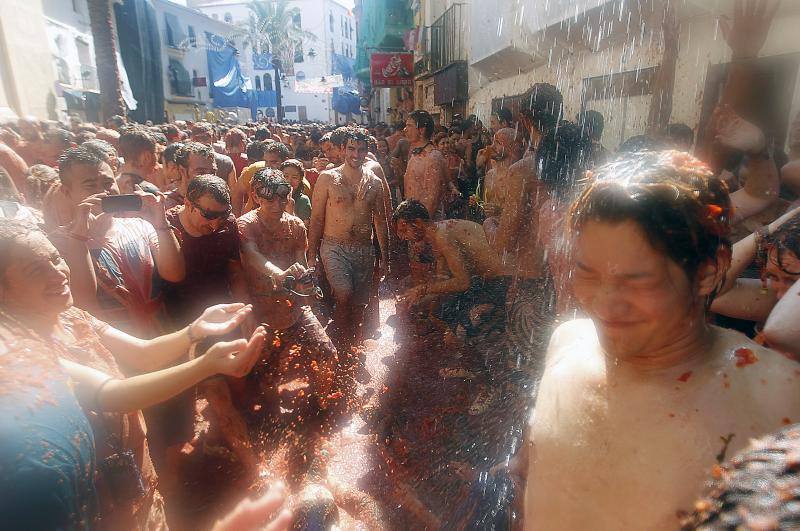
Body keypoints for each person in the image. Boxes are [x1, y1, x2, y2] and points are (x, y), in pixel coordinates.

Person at [521, 150, 800, 530]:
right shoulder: (567, 344)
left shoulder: (780, 395)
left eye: (637, 281)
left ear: (708, 271)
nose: (605, 303)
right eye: (587, 274)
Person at [0, 218, 265, 529]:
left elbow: (144, 353)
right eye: (35, 270)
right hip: (96, 500)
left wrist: (194, 330)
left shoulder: (72, 317)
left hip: (133, 473)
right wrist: (205, 365)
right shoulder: (20, 354)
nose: (57, 272)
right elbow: (113, 396)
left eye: (55, 258)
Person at [162, 174, 256, 471]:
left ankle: (221, 437)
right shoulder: (165, 228)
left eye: (222, 215)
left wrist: (246, 314)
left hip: (222, 318)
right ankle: (253, 467)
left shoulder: (226, 228)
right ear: (188, 203)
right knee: (215, 394)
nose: (215, 223)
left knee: (240, 380)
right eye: (208, 214)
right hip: (182, 327)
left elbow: (235, 272)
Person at [51, 147, 185, 338]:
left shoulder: (140, 226)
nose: (103, 192)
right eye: (90, 185)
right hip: (114, 348)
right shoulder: (57, 244)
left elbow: (174, 274)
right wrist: (79, 237)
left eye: (108, 182)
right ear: (67, 192)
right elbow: (84, 302)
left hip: (162, 337)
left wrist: (161, 224)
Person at [238, 168, 338, 412]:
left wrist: (306, 282)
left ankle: (318, 407)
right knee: (268, 376)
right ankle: (272, 416)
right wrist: (278, 274)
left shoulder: (295, 226)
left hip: (294, 310)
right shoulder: (246, 224)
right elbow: (251, 254)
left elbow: (301, 265)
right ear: (256, 197)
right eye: (269, 199)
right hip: (262, 313)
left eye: (282, 198)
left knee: (326, 354)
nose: (276, 204)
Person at [308, 127, 390, 350]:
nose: (356, 154)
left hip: (363, 249)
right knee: (344, 293)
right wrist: (311, 257)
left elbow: (380, 222)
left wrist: (385, 258)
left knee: (359, 305)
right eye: (351, 148)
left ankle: (348, 344)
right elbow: (316, 219)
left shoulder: (374, 182)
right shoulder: (327, 178)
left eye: (361, 150)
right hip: (334, 246)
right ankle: (338, 340)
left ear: (367, 151)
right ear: (342, 149)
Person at [403, 110, 451, 219]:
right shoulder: (415, 153)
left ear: (421, 130)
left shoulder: (432, 158)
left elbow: (432, 200)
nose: (405, 129)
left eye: (409, 126)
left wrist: (418, 226)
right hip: (415, 219)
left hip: (426, 223)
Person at [479, 128, 521, 244]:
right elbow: (485, 208)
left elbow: (522, 215)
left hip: (511, 239)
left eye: (497, 143)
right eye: (493, 142)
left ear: (510, 147)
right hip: (490, 234)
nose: (491, 147)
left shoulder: (518, 177)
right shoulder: (490, 175)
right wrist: (477, 204)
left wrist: (500, 211)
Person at [167, 141, 218, 210]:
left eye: (212, 172)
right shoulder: (168, 205)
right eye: (201, 172)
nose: (209, 178)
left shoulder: (218, 204)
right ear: (182, 171)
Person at [117, 126, 159, 194]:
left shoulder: (112, 186)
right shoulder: (148, 193)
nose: (157, 158)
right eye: (156, 153)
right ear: (147, 157)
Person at [282, 159, 312, 225]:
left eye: (294, 177)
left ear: (300, 179)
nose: (289, 181)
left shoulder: (303, 201)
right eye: (285, 176)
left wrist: (291, 212)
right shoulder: (272, 197)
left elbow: (304, 229)